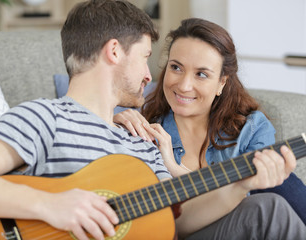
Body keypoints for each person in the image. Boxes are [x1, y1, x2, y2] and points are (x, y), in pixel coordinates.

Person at [0, 2, 303, 240]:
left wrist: (240, 185)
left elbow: (179, 222)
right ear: (115, 51)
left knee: (267, 209)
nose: (152, 76)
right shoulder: (45, 117)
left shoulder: (142, 141)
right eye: (146, 57)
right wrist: (50, 205)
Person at [114, 17, 306, 235]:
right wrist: (112, 120)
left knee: (279, 183)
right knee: (269, 208)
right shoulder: (146, 132)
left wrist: (174, 168)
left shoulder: (251, 128)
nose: (184, 85)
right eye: (176, 67)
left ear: (221, 83)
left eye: (202, 74)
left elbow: (247, 204)